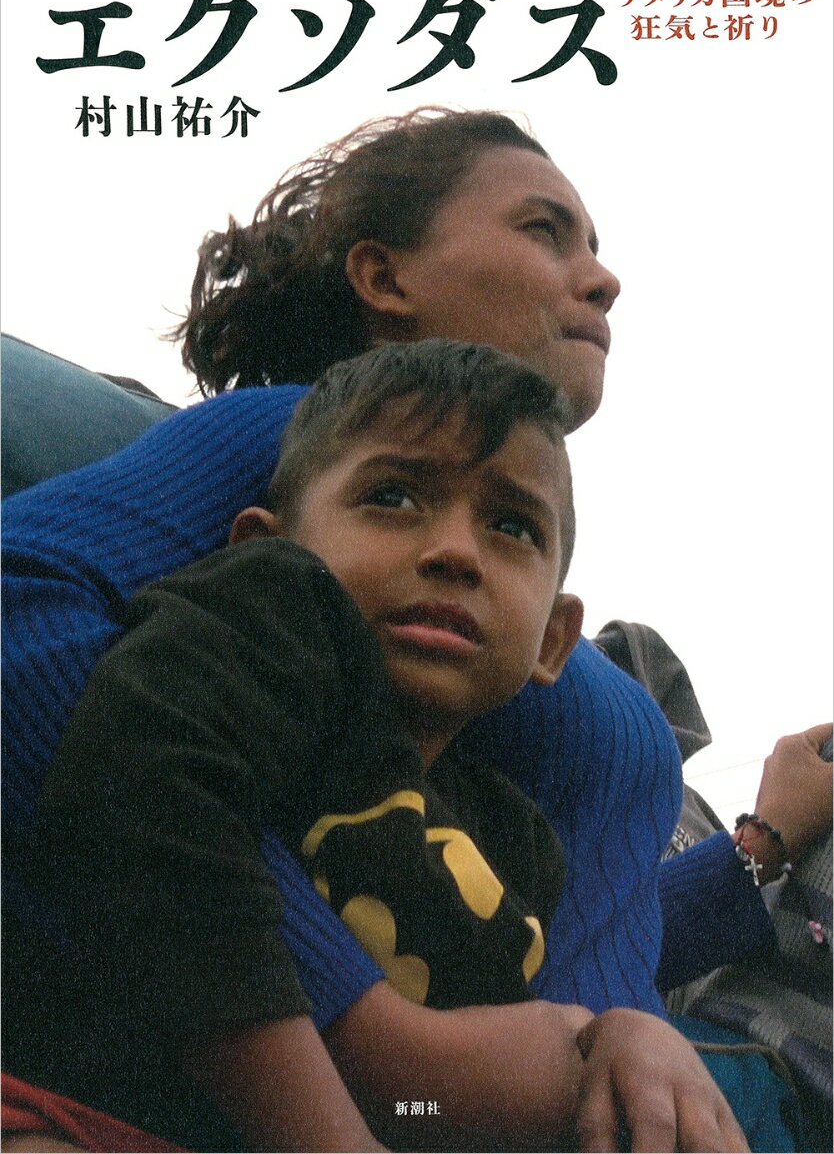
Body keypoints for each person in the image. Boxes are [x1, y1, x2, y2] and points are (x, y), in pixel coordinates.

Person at [2, 108, 829, 1150]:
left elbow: (544, 979)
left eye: (512, 524)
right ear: (386, 280)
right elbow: (32, 635)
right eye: (545, 230)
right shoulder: (277, 442)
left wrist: (728, 887)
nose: (602, 279)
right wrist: (363, 1024)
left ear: (555, 633)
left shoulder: (579, 704)